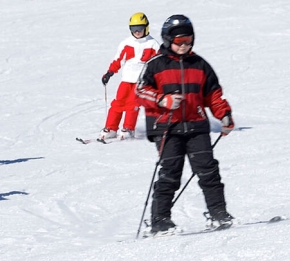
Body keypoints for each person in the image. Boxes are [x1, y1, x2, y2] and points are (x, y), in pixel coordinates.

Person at [137, 15, 235, 234]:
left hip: (196, 126)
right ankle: (160, 221)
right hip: (167, 128)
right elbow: (141, 91)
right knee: (170, 174)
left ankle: (219, 214)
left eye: (188, 40)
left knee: (209, 171)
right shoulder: (156, 64)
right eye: (179, 41)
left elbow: (213, 94)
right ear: (167, 40)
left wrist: (224, 115)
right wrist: (163, 100)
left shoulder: (200, 65)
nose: (184, 45)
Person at [99, 13, 160, 141]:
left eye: (140, 28)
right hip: (126, 79)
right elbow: (118, 60)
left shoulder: (153, 44)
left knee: (132, 104)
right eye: (133, 29)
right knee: (118, 103)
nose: (137, 32)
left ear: (146, 28)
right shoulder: (126, 43)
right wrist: (109, 73)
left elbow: (159, 63)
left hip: (141, 81)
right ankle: (111, 128)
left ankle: (128, 128)